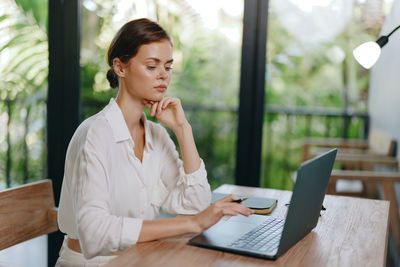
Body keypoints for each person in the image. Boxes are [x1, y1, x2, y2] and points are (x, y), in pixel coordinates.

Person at [55, 18, 253, 266]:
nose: (163, 76)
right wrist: (193, 223)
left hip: (141, 258)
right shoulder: (96, 133)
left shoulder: (157, 135)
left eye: (168, 67)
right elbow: (94, 234)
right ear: (120, 67)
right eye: (151, 66)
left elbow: (193, 205)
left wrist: (183, 129)